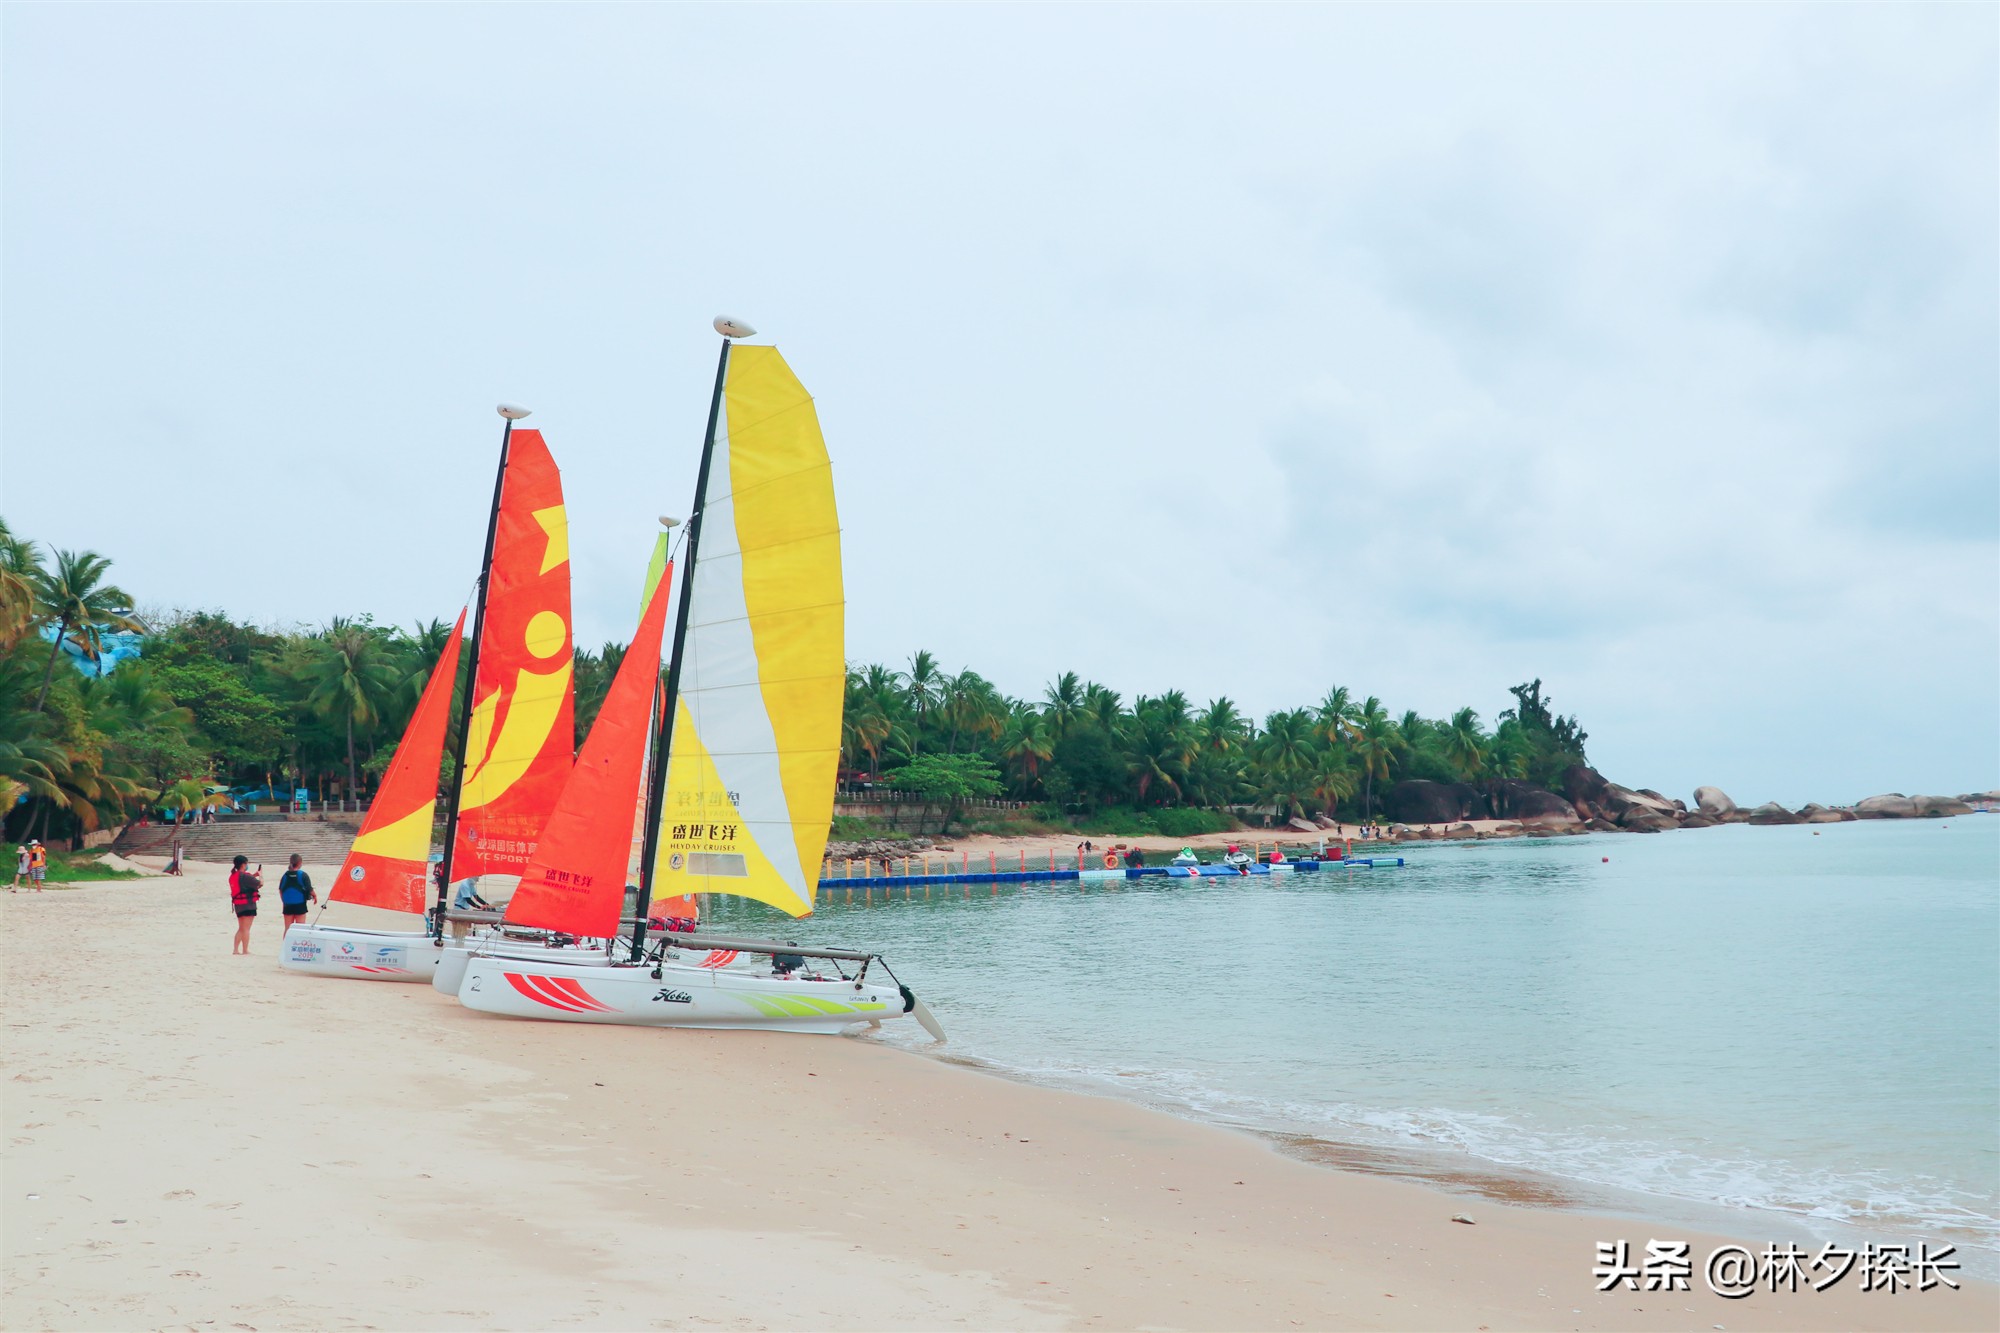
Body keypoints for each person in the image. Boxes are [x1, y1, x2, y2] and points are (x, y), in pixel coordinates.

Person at [229, 854, 261, 954]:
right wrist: (261, 876)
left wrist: (254, 875)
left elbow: (244, 880)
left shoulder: (233, 876)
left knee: (241, 928)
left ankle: (235, 949)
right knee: (246, 929)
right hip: (248, 904)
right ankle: (245, 950)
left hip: (239, 905)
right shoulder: (245, 876)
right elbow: (259, 884)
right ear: (243, 864)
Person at [277, 854, 316, 932]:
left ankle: (286, 944)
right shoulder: (303, 875)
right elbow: (309, 889)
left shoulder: (285, 875)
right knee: (300, 929)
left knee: (288, 929)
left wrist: (284, 901)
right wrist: (315, 896)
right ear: (300, 863)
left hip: (287, 904)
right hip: (300, 904)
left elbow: (281, 890)